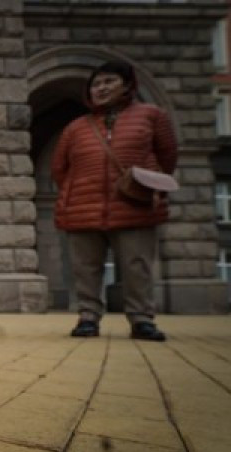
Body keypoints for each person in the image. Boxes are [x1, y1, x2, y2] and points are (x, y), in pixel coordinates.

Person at [51, 60, 178, 341]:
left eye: (109, 81)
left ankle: (141, 319)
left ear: (127, 85)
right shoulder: (76, 127)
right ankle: (88, 316)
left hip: (134, 204)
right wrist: (77, 190)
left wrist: (146, 186)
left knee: (136, 264)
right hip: (83, 205)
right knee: (86, 266)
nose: (101, 88)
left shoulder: (151, 116)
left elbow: (167, 155)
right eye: (96, 84)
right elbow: (59, 168)